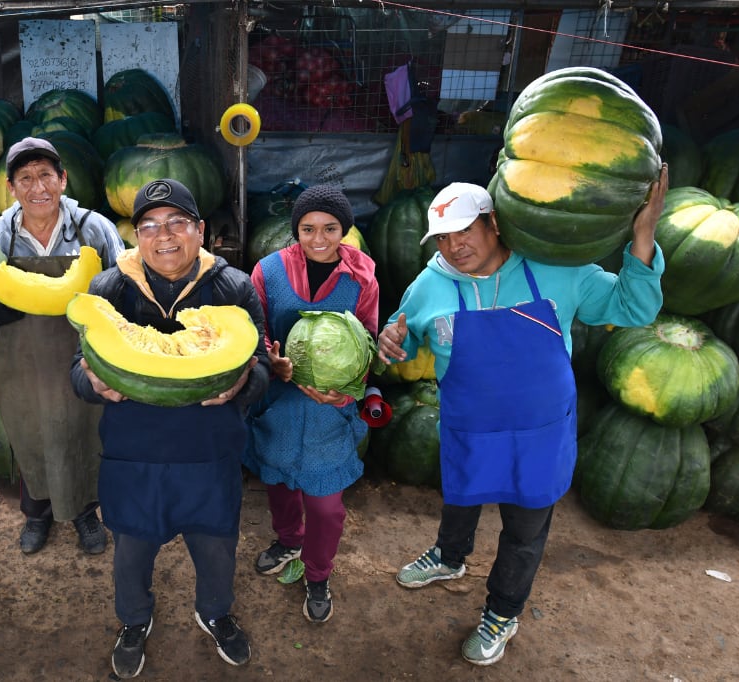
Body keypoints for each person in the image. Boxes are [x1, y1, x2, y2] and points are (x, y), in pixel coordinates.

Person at [378, 169, 669, 665]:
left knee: (525, 530)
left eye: (464, 231)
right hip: (470, 427)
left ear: (493, 223)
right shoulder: (429, 285)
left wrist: (643, 235)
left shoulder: (558, 271)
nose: (454, 247)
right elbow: (401, 337)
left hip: (540, 434)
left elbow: (633, 307)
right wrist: (392, 340)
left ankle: (502, 612)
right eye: (443, 238)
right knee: (461, 496)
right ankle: (449, 556)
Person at [70, 178, 271, 679]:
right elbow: (77, 369)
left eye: (177, 222)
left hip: (210, 455)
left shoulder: (234, 288)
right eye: (150, 226)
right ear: (136, 235)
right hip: (132, 457)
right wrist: (93, 383)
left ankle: (215, 613)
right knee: (131, 552)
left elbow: (263, 367)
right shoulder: (108, 290)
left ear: (200, 230)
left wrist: (243, 384)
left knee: (217, 547)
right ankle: (134, 620)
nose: (164, 236)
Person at [0, 137, 124, 555]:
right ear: (10, 187)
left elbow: (123, 286)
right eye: (26, 178)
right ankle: (37, 514)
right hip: (21, 359)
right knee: (29, 436)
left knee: (83, 435)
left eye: (46, 176)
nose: (38, 188)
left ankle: (85, 513)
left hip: (83, 356)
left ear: (63, 179)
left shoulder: (94, 228)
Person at [242, 184, 379, 624]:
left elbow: (368, 340)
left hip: (329, 412)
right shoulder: (268, 270)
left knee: (326, 506)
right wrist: (273, 362)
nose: (318, 239)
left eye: (330, 228)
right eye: (307, 229)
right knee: (279, 485)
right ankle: (289, 541)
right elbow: (254, 330)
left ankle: (318, 573)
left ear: (345, 230)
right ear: (295, 229)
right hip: (278, 405)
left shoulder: (363, 276)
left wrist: (348, 390)